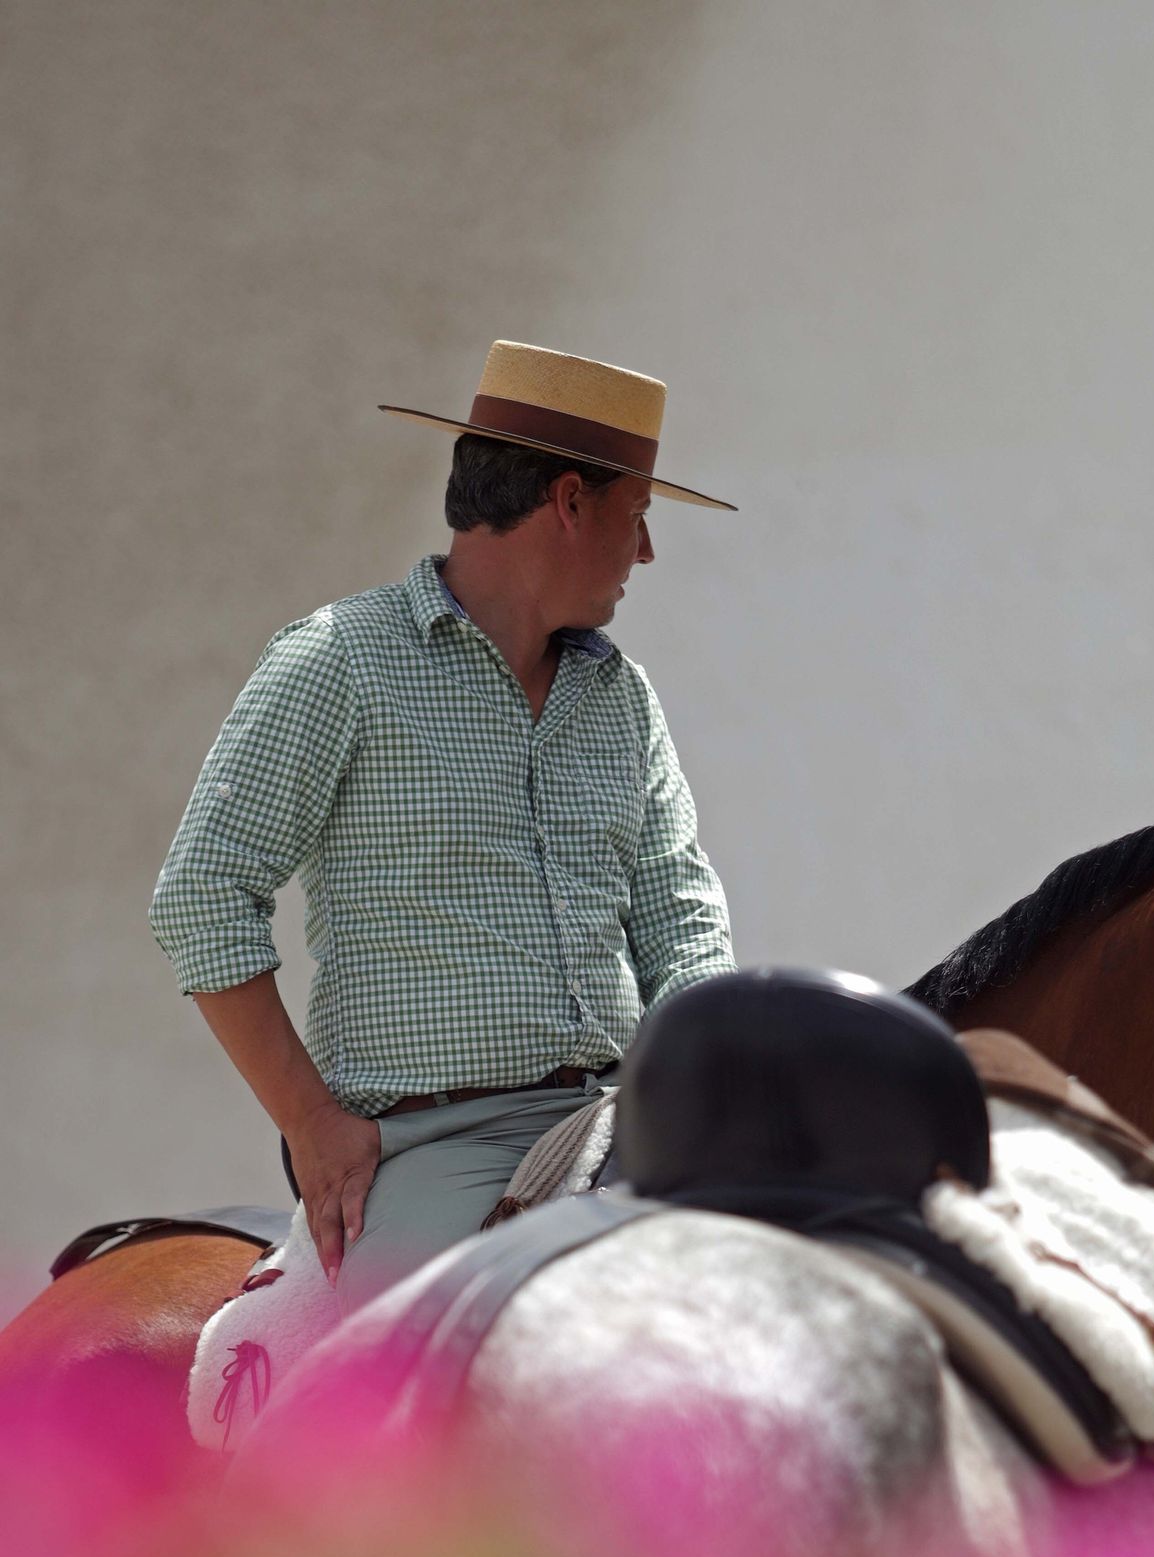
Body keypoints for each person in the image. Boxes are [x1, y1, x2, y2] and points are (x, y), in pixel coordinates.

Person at [150, 341, 737, 1308]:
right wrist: (312, 1121)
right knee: (391, 1421)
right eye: (636, 517)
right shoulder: (340, 663)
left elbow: (684, 926)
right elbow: (201, 898)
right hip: (437, 1153)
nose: (645, 553)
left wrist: (706, 1086)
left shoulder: (622, 699)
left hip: (624, 1124)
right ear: (570, 501)